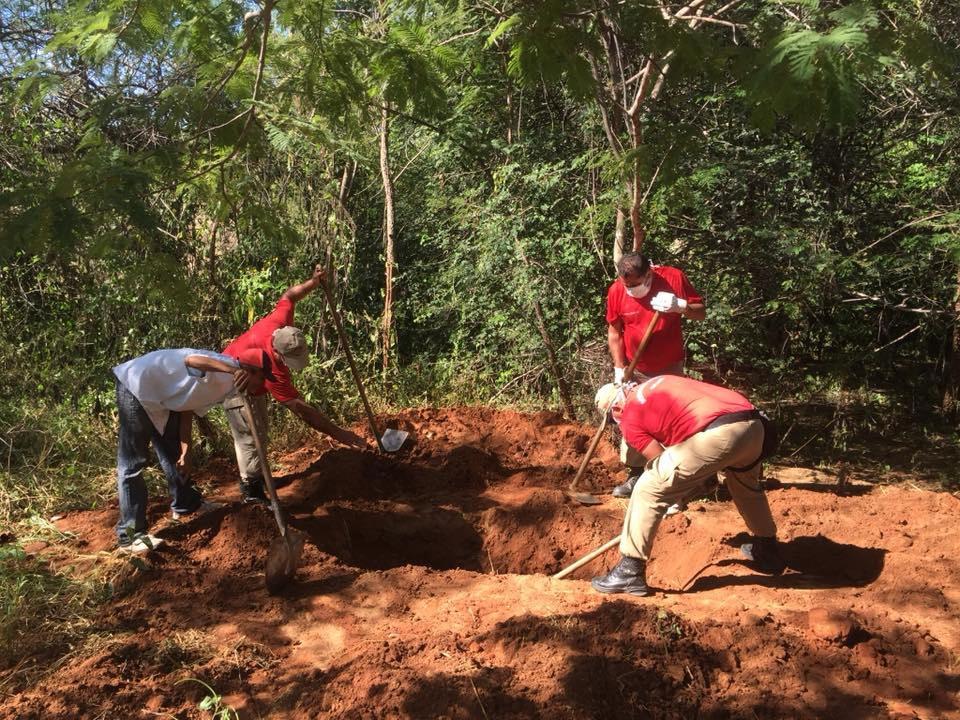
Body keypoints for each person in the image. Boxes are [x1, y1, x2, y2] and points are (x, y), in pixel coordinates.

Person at [590, 375, 785, 596]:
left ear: (615, 408)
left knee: (648, 487)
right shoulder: (659, 381)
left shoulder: (629, 415)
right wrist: (701, 478)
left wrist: (677, 494)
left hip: (719, 434)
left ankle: (629, 571)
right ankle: (768, 551)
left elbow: (660, 462)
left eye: (613, 420)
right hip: (754, 426)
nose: (617, 424)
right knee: (746, 487)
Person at [223, 265, 368, 504]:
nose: (290, 366)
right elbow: (302, 410)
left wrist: (313, 283)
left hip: (254, 377)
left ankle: (260, 477)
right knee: (249, 435)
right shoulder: (272, 366)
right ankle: (251, 490)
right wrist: (340, 434)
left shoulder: (281, 325)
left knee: (261, 428)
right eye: (288, 361)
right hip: (232, 379)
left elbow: (289, 296)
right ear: (278, 353)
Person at [113, 347, 271, 553]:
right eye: (262, 378)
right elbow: (192, 360)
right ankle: (130, 537)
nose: (263, 385)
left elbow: (186, 410)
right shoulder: (226, 368)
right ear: (250, 371)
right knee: (133, 463)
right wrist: (232, 371)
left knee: (174, 454)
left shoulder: (229, 389)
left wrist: (185, 451)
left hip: (162, 399)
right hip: (136, 386)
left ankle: (187, 503)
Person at [606, 252, 706, 498]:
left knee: (669, 421)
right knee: (631, 417)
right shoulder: (617, 290)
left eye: (635, 284)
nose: (630, 289)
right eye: (626, 285)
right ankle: (637, 474)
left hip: (670, 368)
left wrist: (680, 306)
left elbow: (700, 312)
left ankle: (677, 482)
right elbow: (615, 332)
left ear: (648, 273)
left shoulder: (673, 278)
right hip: (635, 369)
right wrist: (619, 369)